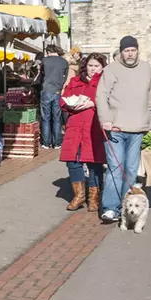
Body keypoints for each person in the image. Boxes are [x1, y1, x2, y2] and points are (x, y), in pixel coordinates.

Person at [96, 36, 151, 223]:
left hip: (138, 128)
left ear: (137, 50)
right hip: (115, 127)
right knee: (116, 168)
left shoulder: (146, 69)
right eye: (126, 50)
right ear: (121, 52)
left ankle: (126, 205)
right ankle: (110, 208)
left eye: (133, 50)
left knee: (131, 170)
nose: (130, 54)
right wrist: (105, 119)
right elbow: (101, 95)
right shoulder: (111, 69)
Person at [60, 53, 107, 212]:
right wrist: (70, 104)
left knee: (94, 162)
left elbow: (110, 102)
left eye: (97, 66)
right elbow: (63, 99)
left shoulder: (104, 82)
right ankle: (78, 196)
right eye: (90, 65)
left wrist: (92, 104)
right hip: (75, 125)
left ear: (102, 68)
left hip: (93, 126)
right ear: (85, 65)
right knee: (72, 160)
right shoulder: (75, 81)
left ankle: (93, 197)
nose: (93, 69)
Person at [37, 45, 69, 149]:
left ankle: (46, 143)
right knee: (57, 118)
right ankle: (57, 143)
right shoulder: (64, 62)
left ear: (48, 51)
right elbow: (65, 77)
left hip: (46, 90)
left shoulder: (45, 61)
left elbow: (41, 76)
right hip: (57, 91)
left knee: (46, 118)